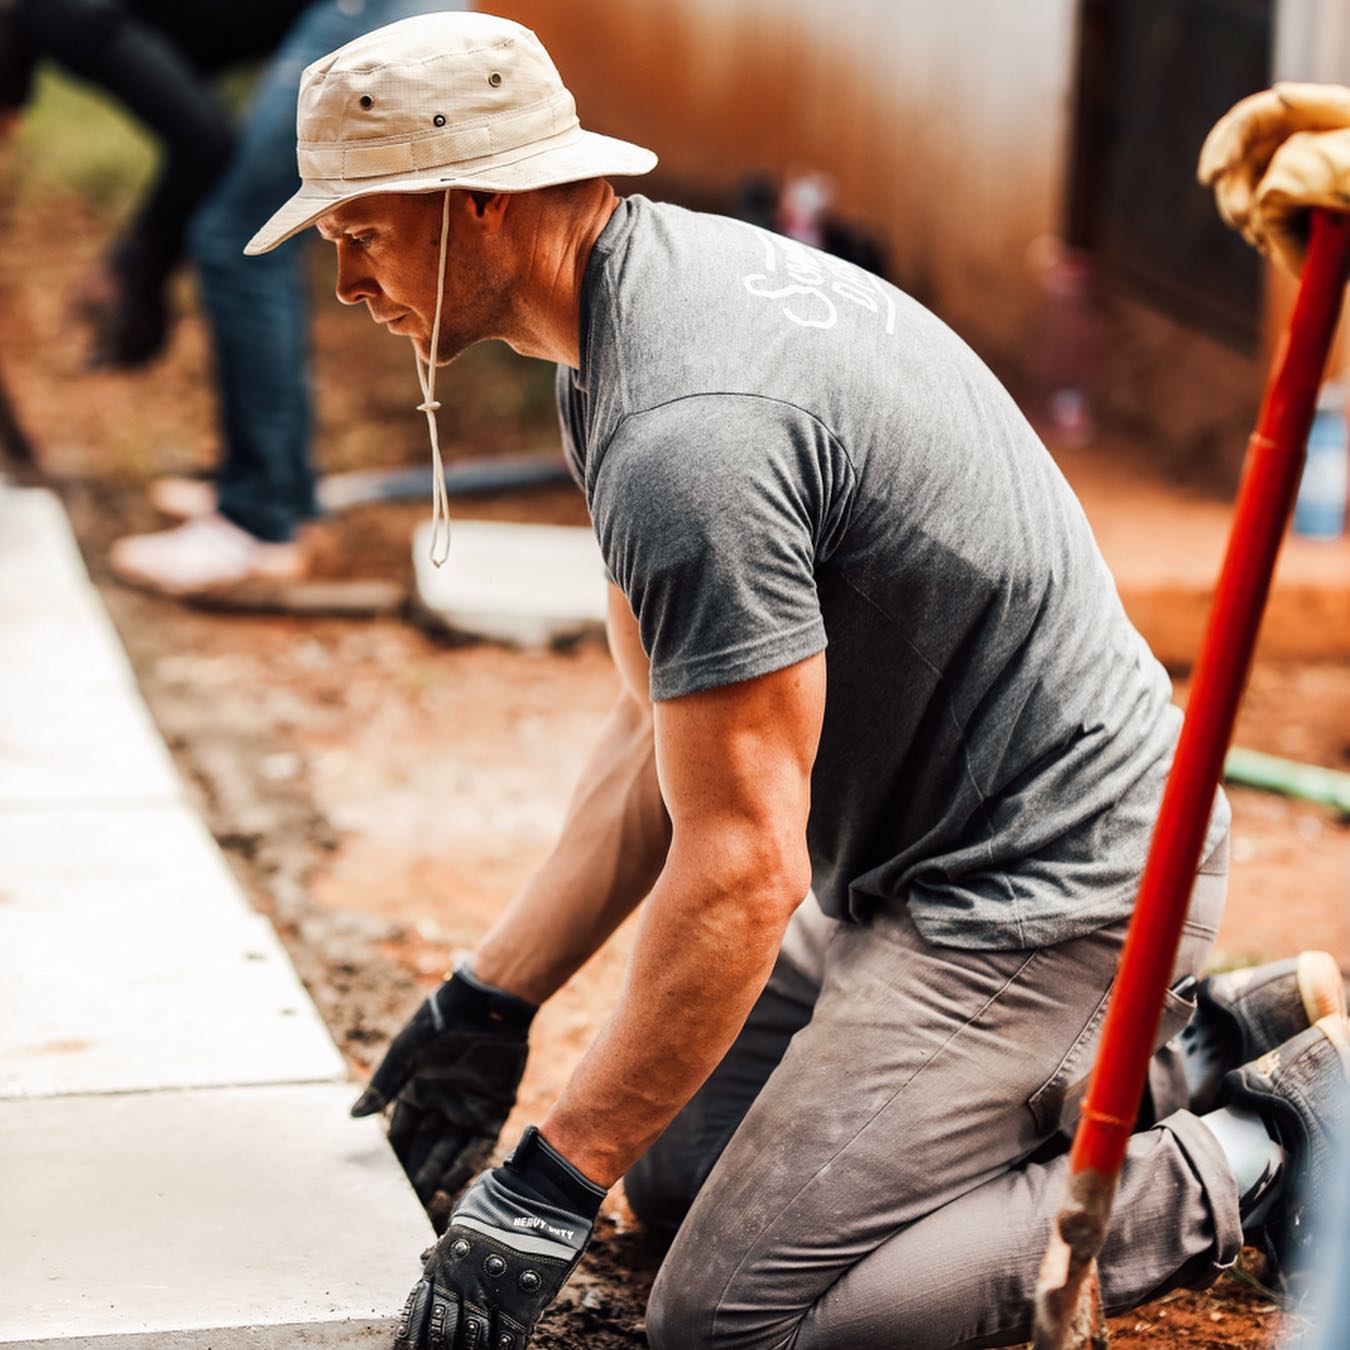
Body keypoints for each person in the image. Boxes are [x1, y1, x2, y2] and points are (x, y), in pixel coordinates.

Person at [247, 17, 1350, 1348]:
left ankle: (1258, 1136)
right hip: (909, 876)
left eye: (358, 233)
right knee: (670, 1170)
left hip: (1057, 888)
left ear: (475, 200)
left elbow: (740, 863)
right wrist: (492, 998)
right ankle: (1201, 1042)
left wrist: (545, 1180)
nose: (347, 282)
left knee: (734, 1312)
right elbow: (653, 723)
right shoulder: (619, 324)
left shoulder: (683, 431)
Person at [0, 0, 455, 597]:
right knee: (239, 230)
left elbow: (204, 141)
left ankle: (258, 525)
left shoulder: (59, 13)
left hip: (366, 9)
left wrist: (138, 265)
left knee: (242, 241)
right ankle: (279, 493)